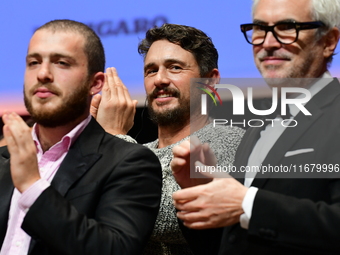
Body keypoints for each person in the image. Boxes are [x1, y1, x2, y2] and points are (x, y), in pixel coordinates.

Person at [171, 0, 340, 254]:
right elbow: (232, 239)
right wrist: (206, 191)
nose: (268, 43)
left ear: (328, 41)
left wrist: (247, 203)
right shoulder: (258, 126)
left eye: (287, 27)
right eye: (259, 29)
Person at [0, 19, 162, 255]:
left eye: (61, 63)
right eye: (33, 62)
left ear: (95, 83)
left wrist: (32, 186)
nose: (43, 74)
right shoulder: (3, 160)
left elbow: (113, 249)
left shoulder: (130, 163)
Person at [90, 24, 245, 254]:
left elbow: (166, 221)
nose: (160, 79)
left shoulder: (232, 141)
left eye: (174, 67)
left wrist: (114, 138)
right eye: (151, 70)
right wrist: (88, 144)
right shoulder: (136, 152)